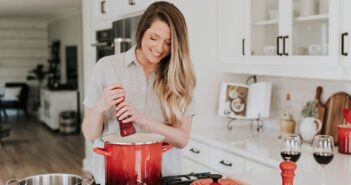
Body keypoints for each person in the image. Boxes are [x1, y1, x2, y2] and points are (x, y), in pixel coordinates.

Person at [82, 1, 197, 184]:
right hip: (113, 177)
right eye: (153, 38)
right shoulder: (107, 66)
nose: (160, 48)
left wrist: (142, 119)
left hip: (163, 178)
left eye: (169, 42)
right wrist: (101, 107)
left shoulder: (182, 78)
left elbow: (182, 139)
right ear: (141, 31)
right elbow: (89, 134)